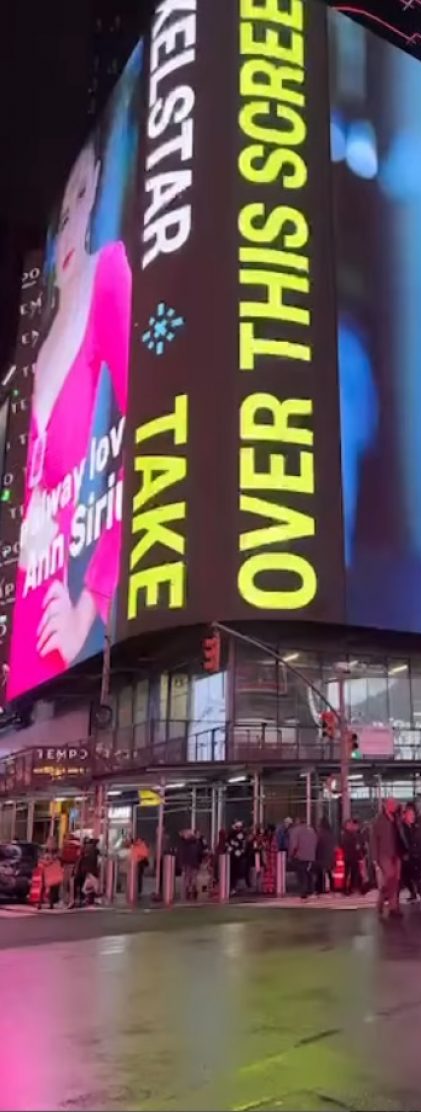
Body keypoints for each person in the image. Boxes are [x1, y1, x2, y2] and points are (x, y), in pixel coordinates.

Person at [7, 135, 131, 700]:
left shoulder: (109, 274)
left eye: (81, 194)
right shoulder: (31, 358)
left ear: (96, 195)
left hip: (57, 634)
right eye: (63, 206)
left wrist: (90, 604)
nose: (71, 211)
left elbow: (155, 440)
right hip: (17, 639)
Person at [370, 797, 402, 918]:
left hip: (397, 852)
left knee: (395, 880)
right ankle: (386, 899)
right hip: (384, 854)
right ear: (386, 805)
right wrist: (374, 858)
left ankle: (391, 906)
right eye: (392, 804)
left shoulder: (396, 819)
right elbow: (373, 840)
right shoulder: (379, 820)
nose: (395, 806)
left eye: (395, 804)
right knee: (390, 876)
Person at [399, 803, 421, 909]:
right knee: (406, 878)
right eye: (410, 815)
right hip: (408, 857)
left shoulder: (416, 826)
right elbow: (402, 842)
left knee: (419, 878)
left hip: (417, 856)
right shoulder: (402, 828)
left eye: (413, 814)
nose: (412, 817)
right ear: (405, 815)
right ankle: (413, 893)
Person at [288, 816, 317, 900]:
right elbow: (315, 842)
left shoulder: (296, 831)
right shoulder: (311, 830)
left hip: (299, 855)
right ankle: (310, 889)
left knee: (301, 874)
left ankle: (303, 891)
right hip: (310, 855)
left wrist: (291, 855)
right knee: (308, 872)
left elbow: (294, 845)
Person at [177, 830, 203, 901]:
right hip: (194, 863)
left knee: (187, 877)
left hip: (187, 863)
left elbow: (181, 853)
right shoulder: (196, 843)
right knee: (194, 877)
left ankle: (188, 890)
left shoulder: (184, 843)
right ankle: (193, 889)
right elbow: (200, 853)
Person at [315, 816, 337, 895]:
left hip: (322, 856)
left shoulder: (320, 834)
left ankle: (320, 889)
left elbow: (318, 845)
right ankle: (332, 887)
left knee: (320, 873)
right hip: (330, 856)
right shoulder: (331, 834)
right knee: (329, 872)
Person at [341, 818, 363, 895]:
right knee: (347, 873)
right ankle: (346, 889)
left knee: (352, 873)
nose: (351, 826)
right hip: (349, 856)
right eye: (350, 825)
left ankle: (350, 888)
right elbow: (344, 845)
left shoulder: (352, 834)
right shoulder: (346, 835)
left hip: (352, 856)